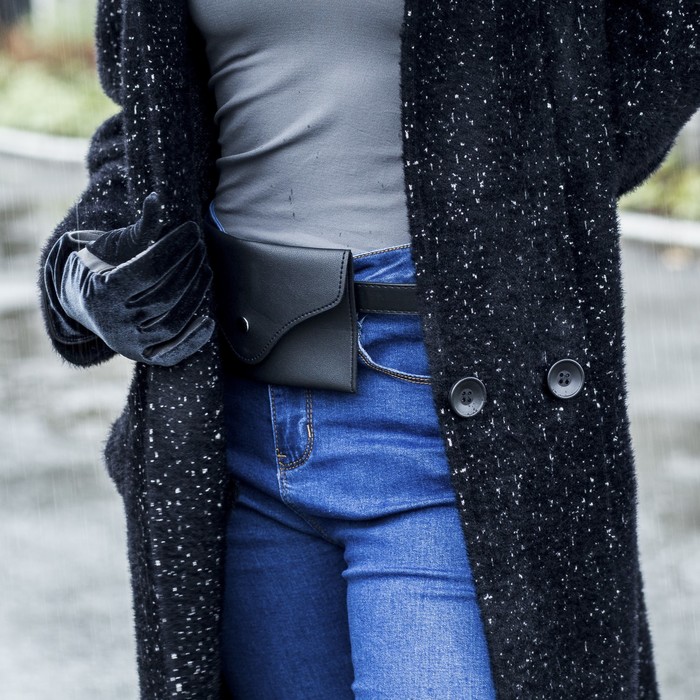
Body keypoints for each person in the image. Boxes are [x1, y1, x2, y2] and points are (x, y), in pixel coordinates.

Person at [36, 1, 700, 699]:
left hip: (454, 421)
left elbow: (649, 55)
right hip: (228, 422)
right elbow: (151, 127)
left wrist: (520, 188)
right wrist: (85, 273)